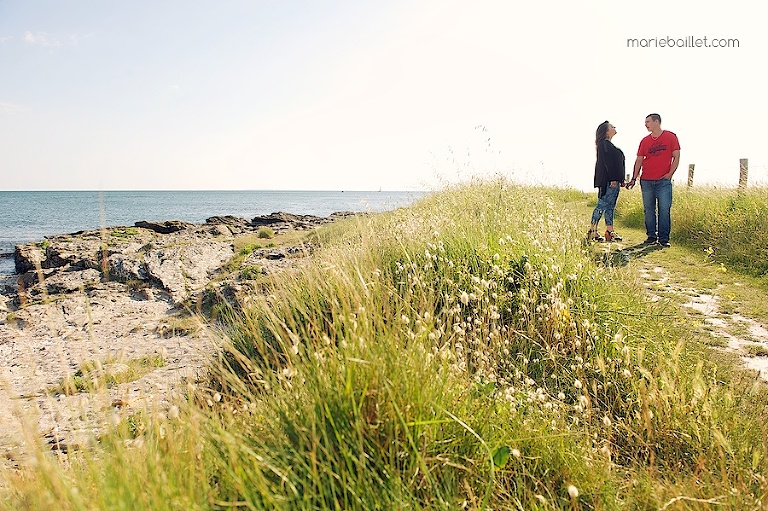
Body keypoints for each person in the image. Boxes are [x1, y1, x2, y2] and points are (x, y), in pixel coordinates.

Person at [626, 113, 680, 248]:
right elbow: (639, 160)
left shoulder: (670, 137)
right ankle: (651, 236)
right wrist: (634, 177)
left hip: (663, 181)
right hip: (647, 180)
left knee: (664, 209)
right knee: (649, 210)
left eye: (648, 122)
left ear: (657, 122)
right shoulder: (644, 141)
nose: (646, 124)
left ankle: (663, 239)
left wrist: (669, 174)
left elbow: (676, 156)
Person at [587, 121, 625, 242]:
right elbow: (607, 163)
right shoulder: (604, 144)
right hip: (609, 182)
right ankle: (593, 231)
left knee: (610, 207)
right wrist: (613, 179)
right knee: (602, 205)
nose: (615, 128)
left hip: (613, 181)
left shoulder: (607, 144)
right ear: (607, 131)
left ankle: (609, 231)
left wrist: (620, 180)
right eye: (612, 127)